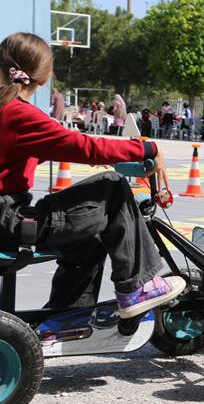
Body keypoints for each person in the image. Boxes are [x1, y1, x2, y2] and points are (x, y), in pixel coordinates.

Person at [0, 32, 183, 314]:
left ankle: (64, 317)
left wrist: (99, 156)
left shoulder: (7, 112)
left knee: (90, 235)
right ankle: (137, 287)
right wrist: (146, 149)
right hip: (9, 221)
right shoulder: (20, 114)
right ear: (44, 77)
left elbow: (20, 155)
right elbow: (85, 146)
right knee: (112, 186)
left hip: (6, 219)